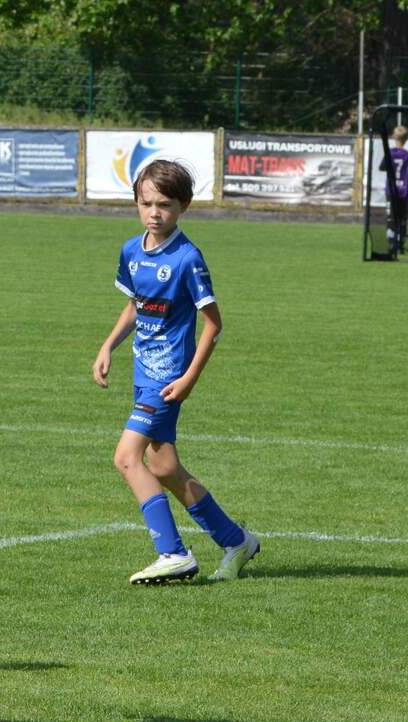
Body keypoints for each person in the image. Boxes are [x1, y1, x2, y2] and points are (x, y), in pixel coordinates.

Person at [92, 159, 259, 585]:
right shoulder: (132, 251)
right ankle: (236, 540)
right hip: (142, 374)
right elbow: (136, 305)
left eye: (164, 205)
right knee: (165, 468)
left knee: (126, 457)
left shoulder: (187, 258)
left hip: (167, 380)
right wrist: (108, 345)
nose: (154, 213)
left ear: (183, 206)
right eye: (146, 203)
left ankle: (173, 552)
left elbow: (214, 324)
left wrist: (189, 379)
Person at [380, 125, 408, 253]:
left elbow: (382, 167)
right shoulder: (407, 155)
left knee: (391, 218)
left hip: (391, 190)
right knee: (402, 218)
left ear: (394, 137)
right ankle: (400, 244)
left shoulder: (390, 153)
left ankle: (392, 244)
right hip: (404, 191)